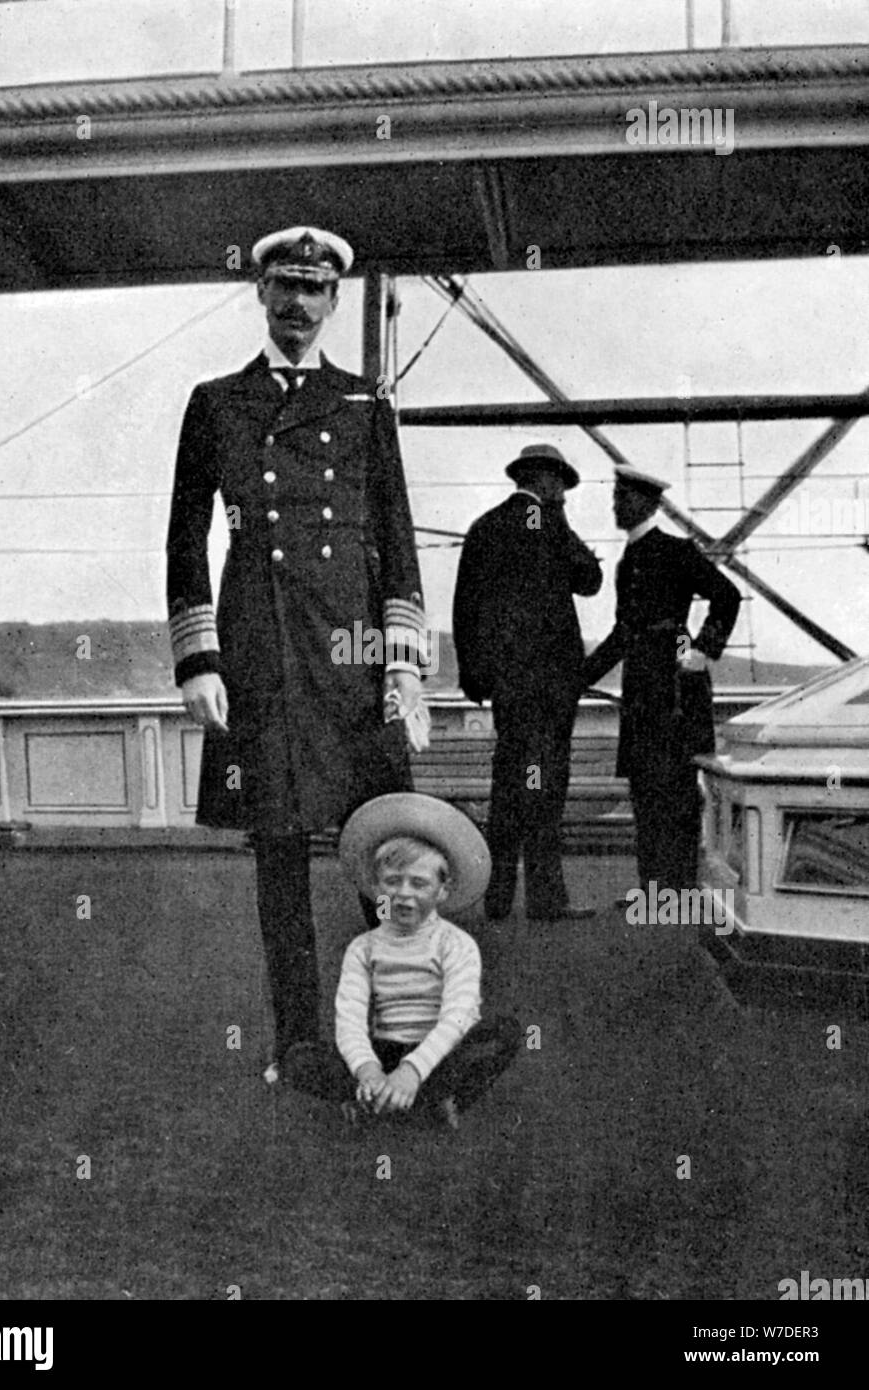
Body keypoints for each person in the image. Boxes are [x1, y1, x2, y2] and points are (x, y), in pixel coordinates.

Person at [165, 226, 428, 1080]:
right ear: (261, 295)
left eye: (314, 291)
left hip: (350, 650)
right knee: (278, 852)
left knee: (379, 846)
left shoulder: (363, 404)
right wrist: (199, 658)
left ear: (333, 302)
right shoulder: (215, 402)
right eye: (284, 287)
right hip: (260, 651)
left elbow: (396, 535)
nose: (298, 305)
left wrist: (401, 665)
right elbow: (184, 537)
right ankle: (301, 1043)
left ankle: (394, 1035)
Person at [283, 792, 521, 1127]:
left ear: (443, 890)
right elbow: (349, 1019)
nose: (404, 893)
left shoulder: (457, 945)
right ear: (378, 887)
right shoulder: (363, 948)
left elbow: (458, 1016)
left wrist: (412, 1071)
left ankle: (420, 1097)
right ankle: (381, 1095)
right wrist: (368, 1069)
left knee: (503, 1034)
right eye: (393, 882)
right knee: (298, 1059)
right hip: (384, 1052)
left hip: (437, 1053)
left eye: (420, 883)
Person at [452, 443, 603, 924]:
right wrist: (571, 534)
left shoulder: (484, 527)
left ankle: (496, 897)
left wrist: (475, 675)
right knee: (546, 782)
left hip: (508, 685)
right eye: (561, 486)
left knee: (511, 780)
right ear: (550, 483)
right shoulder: (551, 525)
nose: (562, 494)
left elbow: (465, 606)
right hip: (552, 684)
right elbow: (590, 579)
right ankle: (545, 898)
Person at [582, 466, 741, 895]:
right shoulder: (627, 560)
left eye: (623, 498)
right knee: (645, 788)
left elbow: (726, 596)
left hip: (675, 687)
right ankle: (654, 889)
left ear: (647, 503)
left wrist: (701, 652)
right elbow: (622, 633)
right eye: (616, 497)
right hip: (641, 688)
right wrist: (581, 677)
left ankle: (681, 888)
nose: (615, 505)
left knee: (677, 789)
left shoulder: (677, 550)